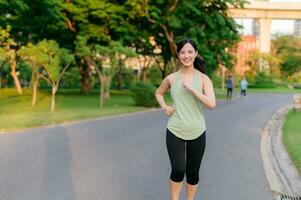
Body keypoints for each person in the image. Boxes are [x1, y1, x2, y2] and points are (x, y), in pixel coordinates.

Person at [155, 38, 216, 200]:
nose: (186, 55)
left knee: (193, 173)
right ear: (178, 55)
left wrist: (193, 90)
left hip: (197, 131)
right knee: (178, 169)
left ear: (196, 54)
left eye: (190, 52)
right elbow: (158, 93)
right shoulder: (171, 78)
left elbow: (212, 104)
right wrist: (164, 107)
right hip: (175, 129)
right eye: (183, 52)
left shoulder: (203, 79)